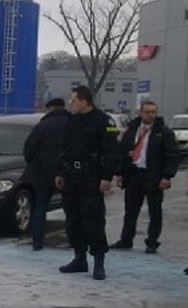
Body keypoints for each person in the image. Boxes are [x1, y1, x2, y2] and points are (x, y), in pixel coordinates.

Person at [55, 85, 120, 281]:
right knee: (73, 220)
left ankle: (98, 263)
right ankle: (79, 259)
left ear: (84, 101)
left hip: (91, 177)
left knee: (93, 220)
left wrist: (107, 177)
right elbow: (63, 147)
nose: (70, 103)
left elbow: (111, 151)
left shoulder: (102, 121)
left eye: (73, 100)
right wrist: (59, 171)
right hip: (71, 176)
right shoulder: (71, 121)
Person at [109, 100, 179, 254]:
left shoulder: (163, 132)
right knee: (131, 209)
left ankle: (152, 242)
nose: (150, 115)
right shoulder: (132, 130)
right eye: (147, 112)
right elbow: (121, 152)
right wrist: (119, 173)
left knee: (155, 211)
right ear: (141, 113)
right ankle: (126, 239)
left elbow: (172, 155)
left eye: (153, 112)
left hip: (154, 176)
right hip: (134, 174)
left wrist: (167, 176)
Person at [23, 97, 69, 250]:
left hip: (42, 173)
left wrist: (35, 164)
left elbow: (29, 149)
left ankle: (37, 242)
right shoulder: (72, 124)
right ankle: (74, 240)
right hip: (68, 172)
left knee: (40, 209)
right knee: (71, 209)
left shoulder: (42, 126)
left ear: (51, 108)